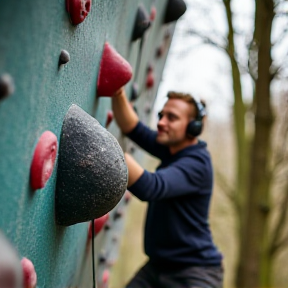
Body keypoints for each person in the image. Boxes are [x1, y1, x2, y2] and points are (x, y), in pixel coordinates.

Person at [112, 88, 223, 288]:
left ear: (192, 128)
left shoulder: (197, 163)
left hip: (195, 274)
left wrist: (109, 150)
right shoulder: (172, 148)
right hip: (158, 268)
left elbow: (151, 187)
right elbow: (132, 127)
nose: (161, 122)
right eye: (161, 115)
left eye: (171, 118)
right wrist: (117, 90)